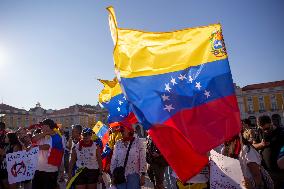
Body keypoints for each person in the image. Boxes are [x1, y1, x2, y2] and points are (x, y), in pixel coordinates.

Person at [110, 121, 146, 189]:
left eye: (123, 130)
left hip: (133, 175)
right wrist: (112, 176)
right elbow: (114, 160)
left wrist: (143, 175)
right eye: (120, 131)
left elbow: (142, 159)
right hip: (120, 175)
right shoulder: (118, 143)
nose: (121, 132)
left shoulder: (138, 142)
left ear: (129, 130)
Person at [253, 115, 284, 188]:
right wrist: (261, 144)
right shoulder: (259, 131)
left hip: (280, 170)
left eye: (267, 128)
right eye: (262, 129)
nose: (265, 131)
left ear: (271, 123)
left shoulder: (281, 131)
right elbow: (253, 146)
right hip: (267, 170)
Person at [31, 119, 63, 189]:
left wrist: (34, 148)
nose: (41, 127)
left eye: (42, 126)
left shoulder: (57, 137)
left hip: (50, 170)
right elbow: (33, 139)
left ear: (48, 126)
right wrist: (44, 133)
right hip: (38, 169)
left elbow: (47, 147)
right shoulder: (43, 134)